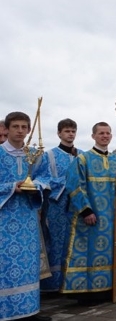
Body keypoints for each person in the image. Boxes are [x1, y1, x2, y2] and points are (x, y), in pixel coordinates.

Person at [60, 122, 116, 305]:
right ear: (93, 136)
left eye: (108, 133)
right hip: (91, 217)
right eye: (101, 133)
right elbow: (74, 185)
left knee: (111, 251)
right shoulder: (83, 159)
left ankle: (110, 289)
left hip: (112, 217)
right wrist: (86, 211)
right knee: (88, 253)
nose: (105, 136)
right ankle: (87, 293)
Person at [0, 112, 52, 321]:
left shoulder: (35, 154)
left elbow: (45, 177)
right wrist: (13, 187)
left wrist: (35, 186)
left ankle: (29, 310)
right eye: (15, 127)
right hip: (4, 220)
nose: (20, 131)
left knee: (28, 263)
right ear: (7, 129)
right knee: (5, 264)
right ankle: (6, 312)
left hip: (28, 219)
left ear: (29, 130)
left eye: (24, 127)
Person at [40, 118, 81, 293]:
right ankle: (54, 284)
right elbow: (42, 178)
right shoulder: (49, 155)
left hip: (78, 205)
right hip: (57, 205)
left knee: (75, 242)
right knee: (56, 242)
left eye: (73, 131)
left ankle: (72, 282)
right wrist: (67, 183)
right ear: (59, 133)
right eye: (66, 131)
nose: (70, 134)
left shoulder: (81, 155)